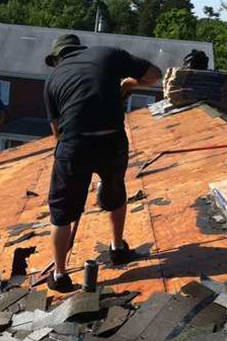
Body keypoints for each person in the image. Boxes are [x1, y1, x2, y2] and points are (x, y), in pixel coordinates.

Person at [43, 34, 162, 292]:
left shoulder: (52, 79)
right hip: (112, 140)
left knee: (61, 213)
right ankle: (117, 249)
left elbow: (58, 135)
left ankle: (60, 275)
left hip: (75, 144)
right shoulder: (108, 55)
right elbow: (155, 74)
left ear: (57, 58)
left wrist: (75, 167)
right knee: (115, 190)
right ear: (79, 49)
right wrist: (129, 84)